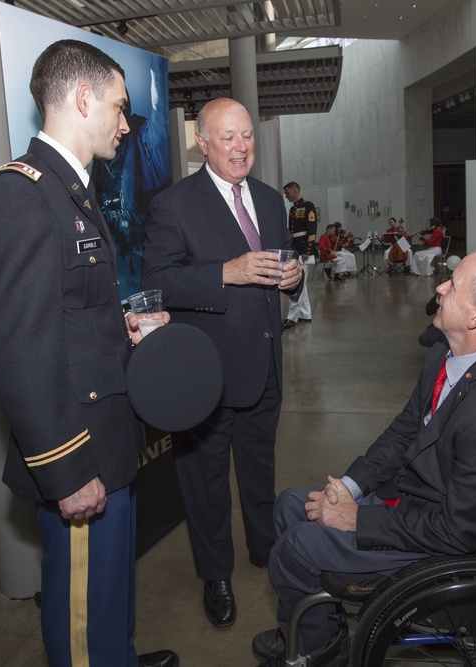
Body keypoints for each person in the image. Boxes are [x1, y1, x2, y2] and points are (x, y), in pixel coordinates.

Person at [0, 40, 178, 667]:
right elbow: (16, 345)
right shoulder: (22, 195)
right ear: (82, 99)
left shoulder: (73, 191)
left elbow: (67, 314)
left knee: (111, 590)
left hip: (108, 436)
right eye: (118, 107)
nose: (124, 123)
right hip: (78, 450)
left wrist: (123, 326)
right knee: (81, 616)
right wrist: (64, 470)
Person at [251, 248, 476, 667]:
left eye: (452, 284)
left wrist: (355, 518)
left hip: (444, 539)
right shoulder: (445, 357)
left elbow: (458, 532)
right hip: (419, 500)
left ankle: (313, 651)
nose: (439, 287)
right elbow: (404, 431)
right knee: (290, 505)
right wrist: (349, 488)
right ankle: (311, 628)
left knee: (296, 547)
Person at [139, 97, 304, 629]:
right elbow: (156, 282)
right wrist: (223, 273)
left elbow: (281, 260)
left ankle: (264, 547)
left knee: (260, 469)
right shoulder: (175, 205)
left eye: (247, 136)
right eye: (227, 137)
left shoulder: (271, 200)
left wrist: (294, 277)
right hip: (205, 374)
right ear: (202, 143)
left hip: (265, 365)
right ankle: (215, 574)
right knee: (204, 481)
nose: (241, 147)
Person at [282, 181, 317, 330]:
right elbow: (291, 232)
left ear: (295, 191)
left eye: (287, 192)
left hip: (304, 251)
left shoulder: (308, 206)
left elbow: (312, 229)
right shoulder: (292, 209)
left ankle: (292, 317)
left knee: (299, 284)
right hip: (296, 249)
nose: (286, 195)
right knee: (303, 285)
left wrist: (306, 251)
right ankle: (305, 314)